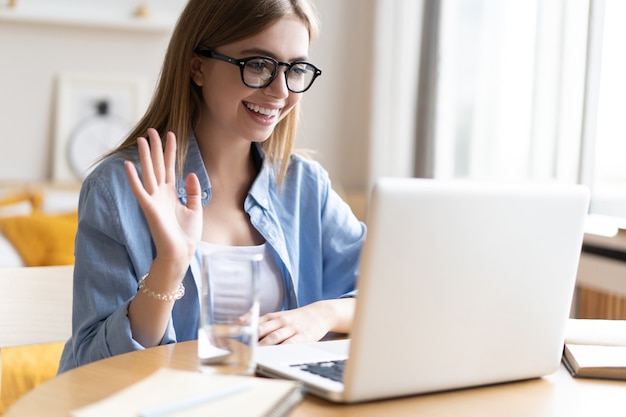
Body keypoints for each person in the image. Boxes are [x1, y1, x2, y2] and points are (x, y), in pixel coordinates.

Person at [58, 0, 366, 373]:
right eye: (257, 65)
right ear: (198, 67)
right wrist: (169, 265)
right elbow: (93, 368)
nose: (280, 91)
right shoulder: (118, 188)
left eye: (295, 69)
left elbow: (388, 293)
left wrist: (322, 315)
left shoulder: (303, 185)